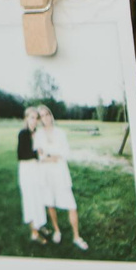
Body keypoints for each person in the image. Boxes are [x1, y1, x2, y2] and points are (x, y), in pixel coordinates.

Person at [33, 106, 87, 250]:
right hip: (46, 174)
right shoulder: (38, 135)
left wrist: (50, 156)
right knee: (50, 204)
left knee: (72, 206)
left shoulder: (60, 133)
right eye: (42, 116)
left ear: (51, 115)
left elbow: (65, 152)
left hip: (61, 173)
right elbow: (39, 156)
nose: (45, 118)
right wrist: (52, 157)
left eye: (47, 114)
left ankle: (76, 236)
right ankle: (57, 230)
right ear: (40, 119)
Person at [15, 114, 50, 242]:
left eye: (36, 118)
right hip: (26, 170)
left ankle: (40, 225)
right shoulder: (23, 134)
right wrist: (37, 153)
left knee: (39, 197)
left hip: (36, 169)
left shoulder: (37, 133)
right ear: (26, 119)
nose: (34, 120)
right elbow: (21, 155)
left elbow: (43, 150)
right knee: (30, 199)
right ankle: (34, 233)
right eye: (32, 117)